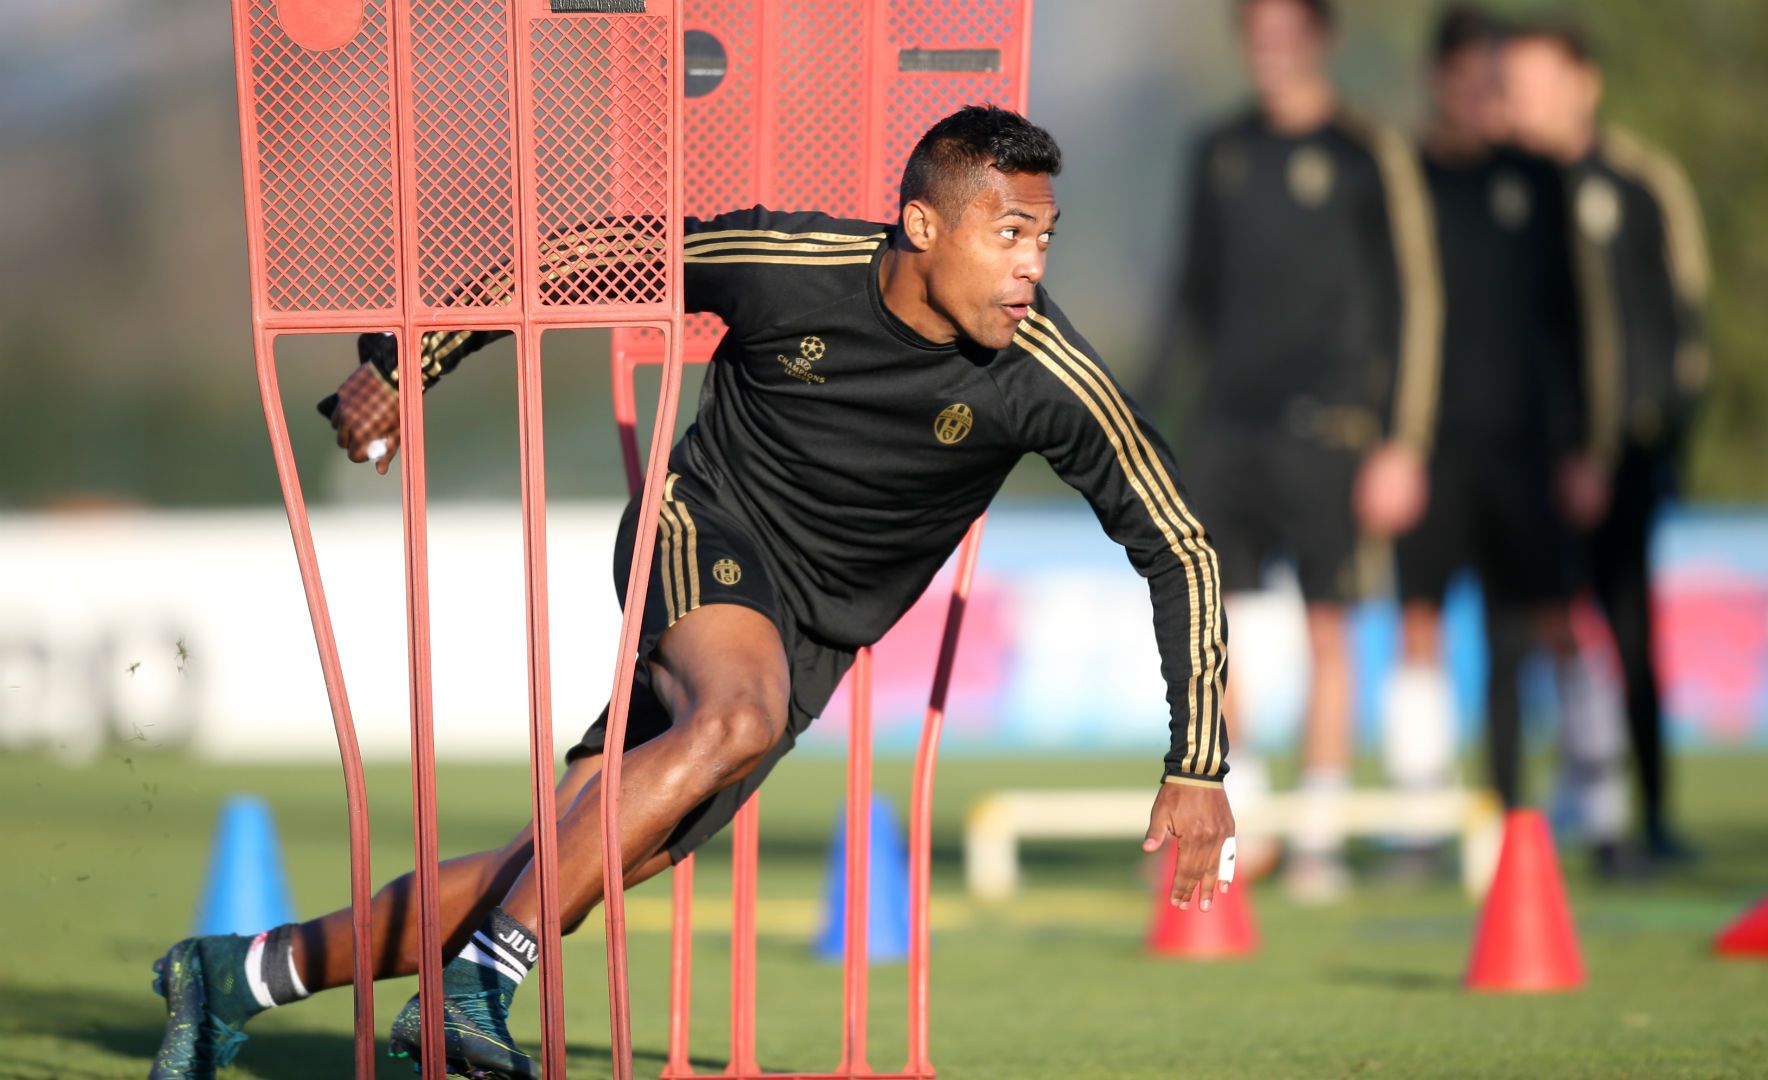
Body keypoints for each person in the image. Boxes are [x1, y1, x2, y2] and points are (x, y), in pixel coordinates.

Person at [149, 106, 1234, 1080]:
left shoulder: (1047, 376)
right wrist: (405, 359)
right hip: (701, 531)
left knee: (565, 863)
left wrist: (1196, 764)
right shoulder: (791, 264)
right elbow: (592, 255)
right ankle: (478, 986)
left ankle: (242, 974)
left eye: (1043, 238)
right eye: (1008, 235)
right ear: (922, 225)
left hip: (813, 639)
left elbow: (1178, 543)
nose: (1030, 267)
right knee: (737, 714)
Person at [1147, 0, 1439, 901]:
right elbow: (1187, 300)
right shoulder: (1219, 152)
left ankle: (1317, 834)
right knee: (1218, 628)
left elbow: (1414, 303)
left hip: (1333, 426)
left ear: (1322, 41)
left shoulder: (1367, 154)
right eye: (1257, 36)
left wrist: (1403, 441)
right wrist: (1146, 419)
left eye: (1289, 35)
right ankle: (1248, 822)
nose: (1272, 53)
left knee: (1328, 627)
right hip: (1230, 424)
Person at [1384, 6, 1620, 871]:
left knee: (1560, 622)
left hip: (1527, 450)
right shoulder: (1404, 177)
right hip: (1433, 447)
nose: (1488, 96)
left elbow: (1578, 325)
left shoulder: (1542, 179)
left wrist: (1585, 446)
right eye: (1473, 79)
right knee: (1420, 624)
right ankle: (1417, 824)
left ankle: (1602, 813)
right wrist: (1392, 441)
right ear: (1440, 80)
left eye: (1499, 81)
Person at [1504, 17, 1711, 862]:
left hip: (1623, 452)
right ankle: (1537, 819)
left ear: (1584, 83)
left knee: (1628, 631)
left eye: (1539, 84)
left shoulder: (1638, 182)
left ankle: (1650, 816)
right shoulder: (1505, 186)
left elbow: (1679, 321)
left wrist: (1638, 441)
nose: (1523, 103)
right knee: (1533, 632)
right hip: (1525, 454)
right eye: (1513, 87)